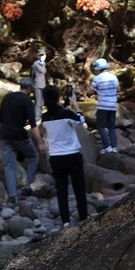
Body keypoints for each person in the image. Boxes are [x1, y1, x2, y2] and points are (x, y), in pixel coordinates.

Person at [39, 84, 89, 227]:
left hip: (55, 156)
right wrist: (75, 105)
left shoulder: (45, 118)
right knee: (79, 187)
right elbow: (81, 121)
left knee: (62, 190)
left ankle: (65, 221)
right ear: (57, 97)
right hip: (72, 154)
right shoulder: (67, 114)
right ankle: (83, 217)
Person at [0, 77, 44, 200]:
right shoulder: (27, 101)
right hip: (19, 136)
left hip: (5, 136)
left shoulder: (7, 97)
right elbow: (33, 124)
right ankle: (27, 186)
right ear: (30, 88)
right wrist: (39, 142)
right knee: (34, 157)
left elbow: (0, 119)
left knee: (9, 165)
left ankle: (13, 195)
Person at [90, 57, 119, 153]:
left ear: (98, 69)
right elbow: (118, 88)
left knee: (100, 127)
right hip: (113, 106)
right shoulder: (114, 77)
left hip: (103, 106)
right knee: (111, 127)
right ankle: (114, 147)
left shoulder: (97, 79)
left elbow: (91, 90)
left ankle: (107, 147)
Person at [32, 48, 48, 124]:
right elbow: (42, 71)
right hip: (37, 85)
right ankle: (36, 117)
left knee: (42, 102)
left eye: (43, 55)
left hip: (43, 85)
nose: (42, 57)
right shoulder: (36, 64)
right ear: (38, 56)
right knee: (38, 102)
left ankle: (40, 116)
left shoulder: (43, 63)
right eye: (41, 55)